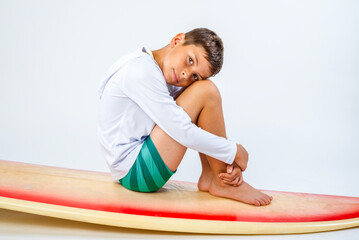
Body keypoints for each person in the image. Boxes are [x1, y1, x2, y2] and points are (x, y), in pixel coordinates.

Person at [97, 28, 273, 206]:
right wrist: (232, 151)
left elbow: (202, 123)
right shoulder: (140, 71)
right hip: (135, 172)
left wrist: (229, 165)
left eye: (195, 76)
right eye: (190, 60)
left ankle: (213, 176)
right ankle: (223, 183)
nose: (185, 75)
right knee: (206, 91)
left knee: (202, 88)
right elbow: (182, 131)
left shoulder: (164, 73)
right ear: (177, 40)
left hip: (134, 166)